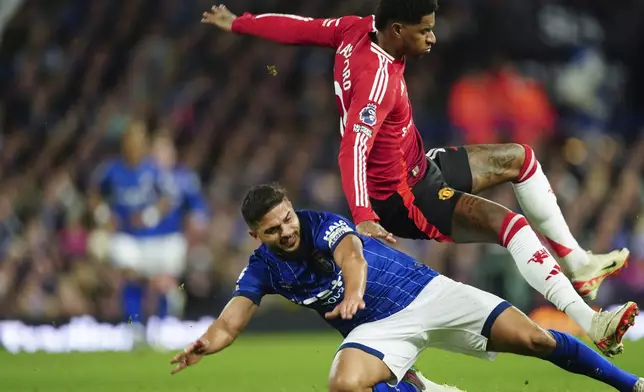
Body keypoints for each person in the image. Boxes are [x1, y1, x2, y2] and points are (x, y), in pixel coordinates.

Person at [200, 2, 633, 356]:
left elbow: (301, 28)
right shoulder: (376, 83)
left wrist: (239, 22)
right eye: (424, 30)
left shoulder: (356, 29)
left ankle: (576, 263)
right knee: (510, 225)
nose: (433, 38)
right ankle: (591, 321)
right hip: (405, 198)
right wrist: (364, 215)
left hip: (422, 166)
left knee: (521, 158)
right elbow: (352, 146)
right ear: (395, 30)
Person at [169, 183, 642, 392]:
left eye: (287, 219)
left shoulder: (320, 224)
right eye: (273, 230)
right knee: (345, 383)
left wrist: (353, 291)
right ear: (256, 235)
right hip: (378, 330)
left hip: (428, 294)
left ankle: (630, 385)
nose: (287, 232)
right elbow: (232, 319)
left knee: (536, 339)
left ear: (294, 210)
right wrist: (205, 344)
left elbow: (351, 255)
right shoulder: (262, 267)